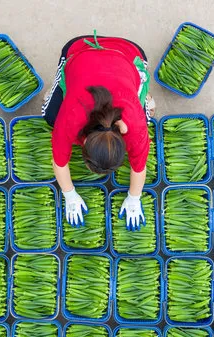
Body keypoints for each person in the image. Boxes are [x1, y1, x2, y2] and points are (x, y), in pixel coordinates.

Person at [42, 32, 154, 231]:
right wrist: (69, 195)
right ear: (85, 141)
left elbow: (139, 167)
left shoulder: (135, 126)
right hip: (83, 50)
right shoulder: (71, 117)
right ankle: (55, 92)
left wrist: (134, 198)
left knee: (145, 115)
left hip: (124, 60)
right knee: (50, 113)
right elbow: (59, 162)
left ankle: (144, 94)